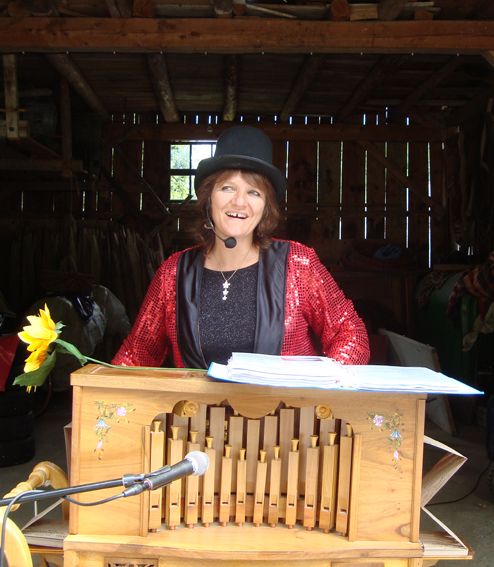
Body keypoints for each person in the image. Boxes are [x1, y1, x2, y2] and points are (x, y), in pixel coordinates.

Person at [112, 126, 369, 369]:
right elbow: (137, 354)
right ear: (208, 198)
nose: (240, 202)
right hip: (198, 414)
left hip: (285, 413)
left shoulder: (297, 263)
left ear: (266, 206)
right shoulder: (173, 274)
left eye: (254, 192)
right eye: (227, 188)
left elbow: (351, 334)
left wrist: (321, 391)